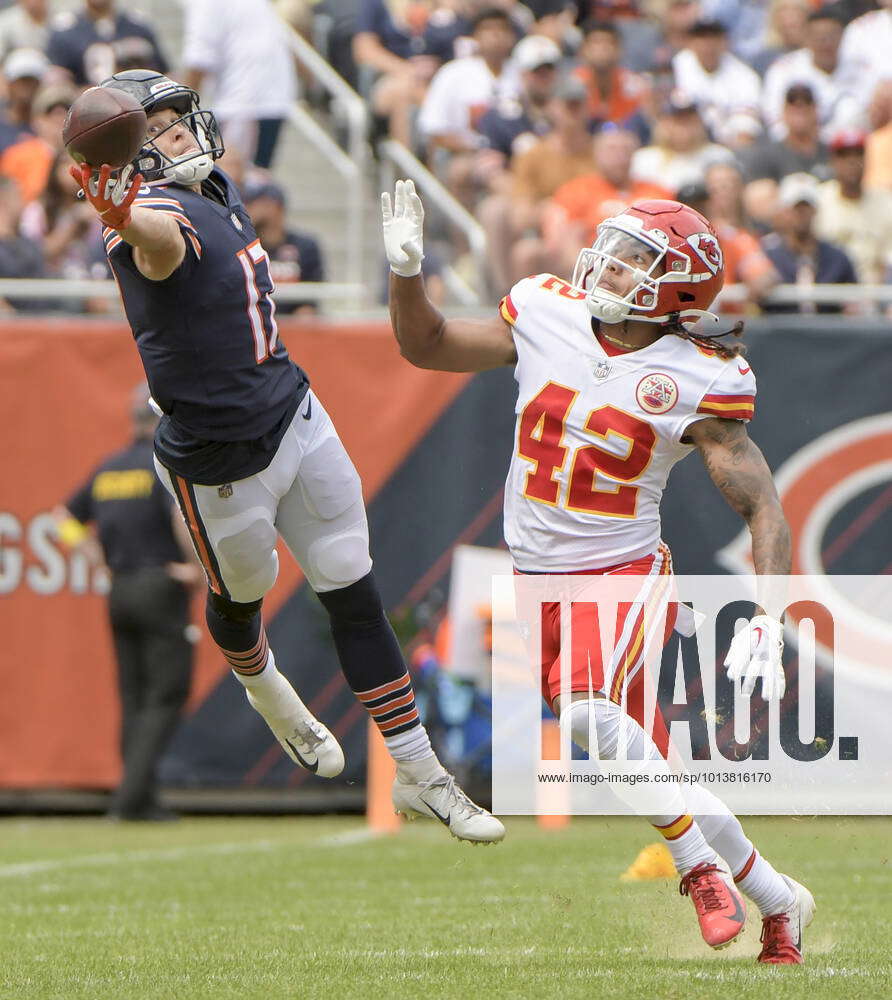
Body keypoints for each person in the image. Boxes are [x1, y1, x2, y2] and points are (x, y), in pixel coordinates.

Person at [382, 177, 815, 961]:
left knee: (586, 715)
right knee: (649, 762)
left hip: (621, 568)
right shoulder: (548, 310)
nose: (607, 265)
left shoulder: (700, 374)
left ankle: (697, 869)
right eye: (613, 250)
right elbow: (427, 346)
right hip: (536, 576)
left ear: (672, 287)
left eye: (632, 259)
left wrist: (769, 617)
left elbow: (763, 508)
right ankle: (782, 901)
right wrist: (406, 273)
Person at [69, 68, 503, 844]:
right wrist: (126, 213)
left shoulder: (213, 188)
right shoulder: (150, 214)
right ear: (132, 160)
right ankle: (264, 687)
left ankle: (421, 772)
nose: (184, 134)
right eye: (163, 129)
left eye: (181, 121)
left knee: (352, 585)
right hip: (219, 462)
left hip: (297, 413)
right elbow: (159, 245)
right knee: (246, 596)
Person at [54, 385, 202, 821]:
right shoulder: (161, 468)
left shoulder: (110, 468)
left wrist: (99, 563)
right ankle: (129, 798)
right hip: (160, 585)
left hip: (120, 589)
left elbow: (63, 520)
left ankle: (143, 799)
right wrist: (197, 569)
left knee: (134, 696)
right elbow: (181, 518)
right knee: (168, 695)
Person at [181, 0, 296, 169]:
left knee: (233, 179)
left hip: (244, 102)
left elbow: (199, 58)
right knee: (246, 178)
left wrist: (179, 113)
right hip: (264, 98)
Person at [243, 179, 325, 316]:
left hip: (294, 324)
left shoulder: (305, 246)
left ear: (278, 207)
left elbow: (311, 297)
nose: (253, 210)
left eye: (261, 204)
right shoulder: (245, 247)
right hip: (255, 321)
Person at [45, 0, 167, 86]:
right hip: (85, 111)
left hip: (139, 106)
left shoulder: (139, 26)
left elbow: (163, 74)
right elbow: (57, 87)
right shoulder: (64, 31)